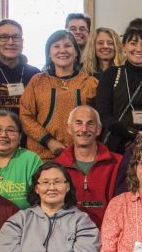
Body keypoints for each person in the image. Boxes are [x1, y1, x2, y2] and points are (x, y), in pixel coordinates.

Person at [19, 29, 100, 161]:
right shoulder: (37, 81)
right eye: (56, 46)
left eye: (68, 46)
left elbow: (97, 120)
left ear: (76, 53)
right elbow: (25, 116)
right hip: (41, 156)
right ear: (49, 53)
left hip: (79, 157)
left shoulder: (90, 83)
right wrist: (50, 142)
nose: (62, 51)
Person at [95, 19, 142, 153]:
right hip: (115, 145)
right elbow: (104, 116)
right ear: (124, 46)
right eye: (133, 43)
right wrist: (133, 135)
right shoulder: (111, 75)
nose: (139, 49)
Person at [53, 106, 120, 227]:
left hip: (108, 235)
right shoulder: (55, 167)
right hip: (67, 237)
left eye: (90, 124)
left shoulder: (118, 163)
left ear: (98, 129)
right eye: (78, 123)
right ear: (69, 128)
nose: (84, 129)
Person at [0, 111, 43, 210]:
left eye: (11, 130)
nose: (3, 135)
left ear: (20, 136)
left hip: (22, 222)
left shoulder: (30, 159)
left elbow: (41, 198)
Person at [0, 20, 41, 113]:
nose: (11, 42)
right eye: (4, 37)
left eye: (16, 37)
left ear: (22, 42)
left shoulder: (35, 74)